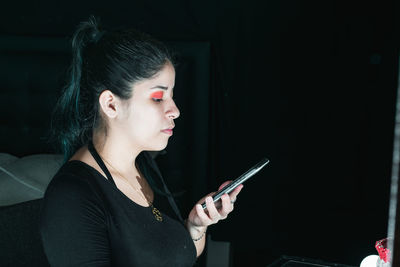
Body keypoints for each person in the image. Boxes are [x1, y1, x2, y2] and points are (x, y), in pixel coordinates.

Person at [39, 16, 243, 267]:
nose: (175, 110)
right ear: (111, 104)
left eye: (172, 95)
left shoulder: (143, 163)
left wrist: (195, 225)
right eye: (158, 98)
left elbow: (177, 257)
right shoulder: (73, 197)